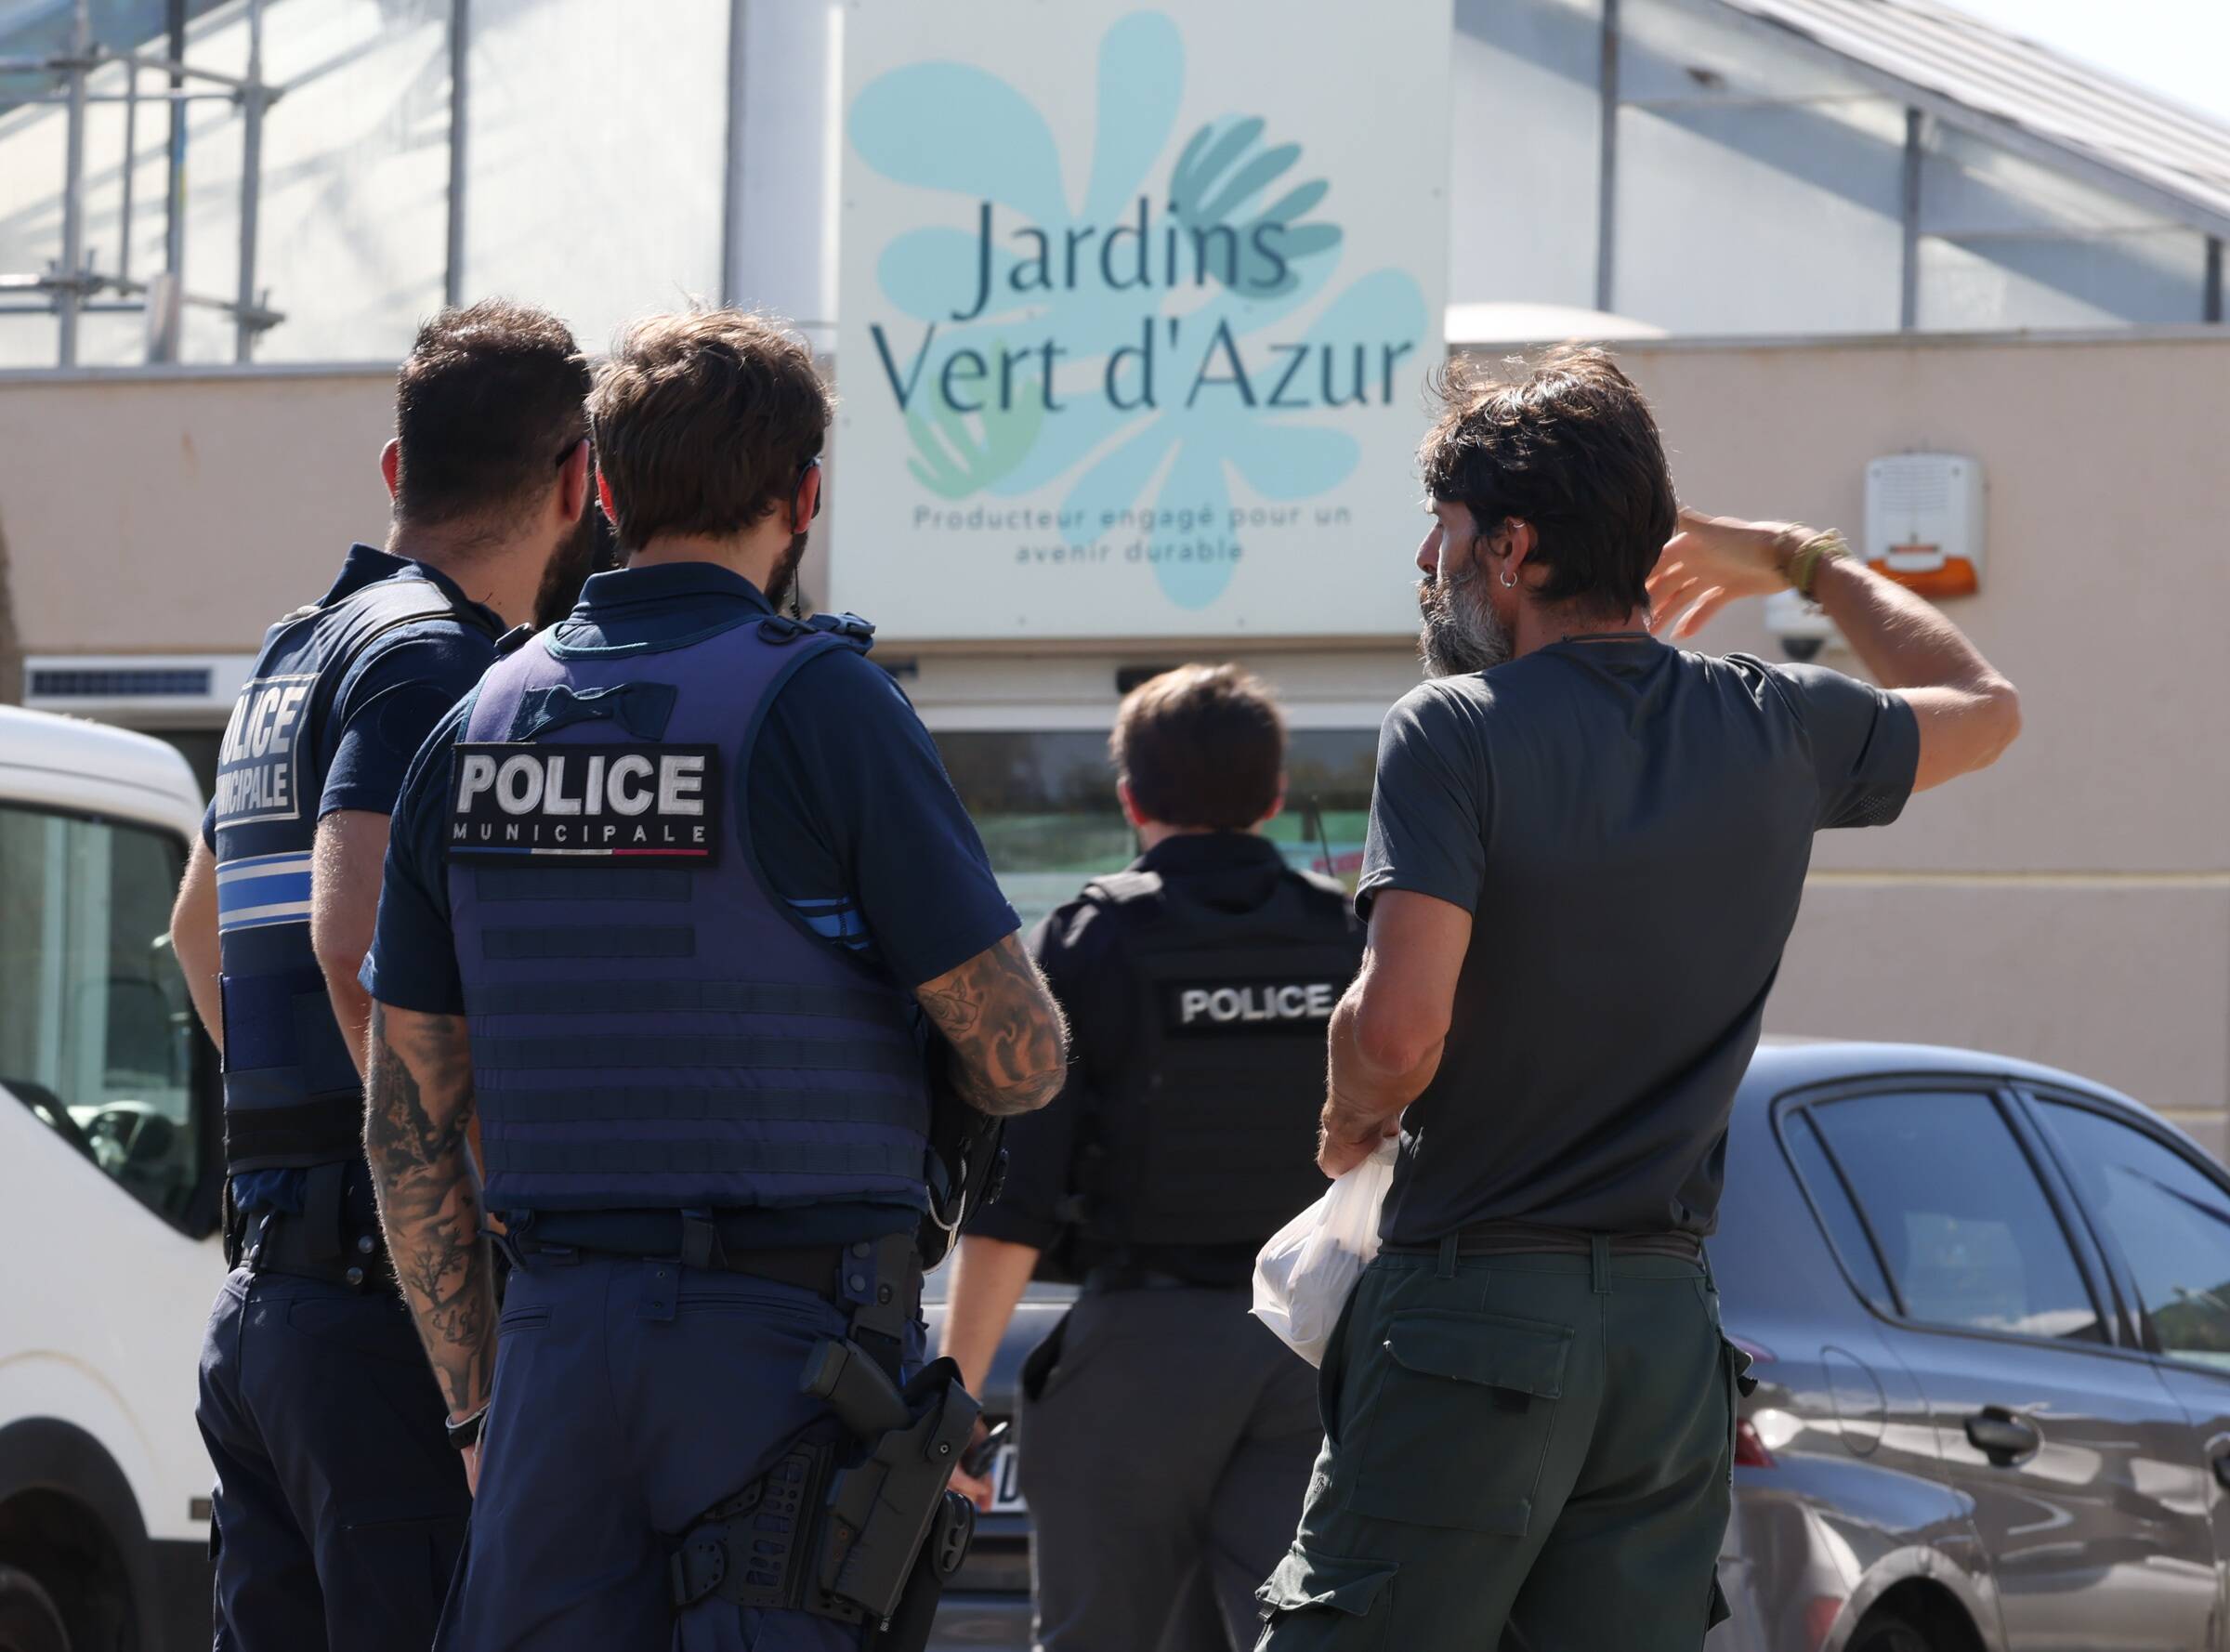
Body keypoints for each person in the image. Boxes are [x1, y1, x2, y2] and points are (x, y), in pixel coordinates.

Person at [1255, 347, 2022, 1650]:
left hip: (1472, 1313)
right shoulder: (1778, 724)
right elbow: (1988, 707)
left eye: (1440, 534)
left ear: (1511, 549)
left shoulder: (1453, 727)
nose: (1426, 567)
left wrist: (1346, 1116)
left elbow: (1397, 1026)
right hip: (1666, 1342)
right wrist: (1798, 558)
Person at [355, 308, 1069, 1652]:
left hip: (558, 1354)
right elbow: (1022, 1056)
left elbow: (407, 1131)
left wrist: (473, 1406)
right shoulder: (825, 706)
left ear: (605, 491)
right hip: (791, 1362)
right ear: (805, 496)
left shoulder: (476, 723)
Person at [165, 299, 596, 1652]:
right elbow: (354, 946)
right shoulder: (436, 662)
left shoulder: (298, 653)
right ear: (582, 483)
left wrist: (309, 1148)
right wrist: (450, 1197)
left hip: (273, 1306)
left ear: (395, 470)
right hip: (384, 1315)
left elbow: (196, 929)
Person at [939, 663, 1364, 1652]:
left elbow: (1016, 1199)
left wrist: (953, 1393)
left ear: (1130, 798)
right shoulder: (1349, 939)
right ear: (1273, 797)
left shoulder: (1089, 941)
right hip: (1319, 1349)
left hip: (1140, 1352)